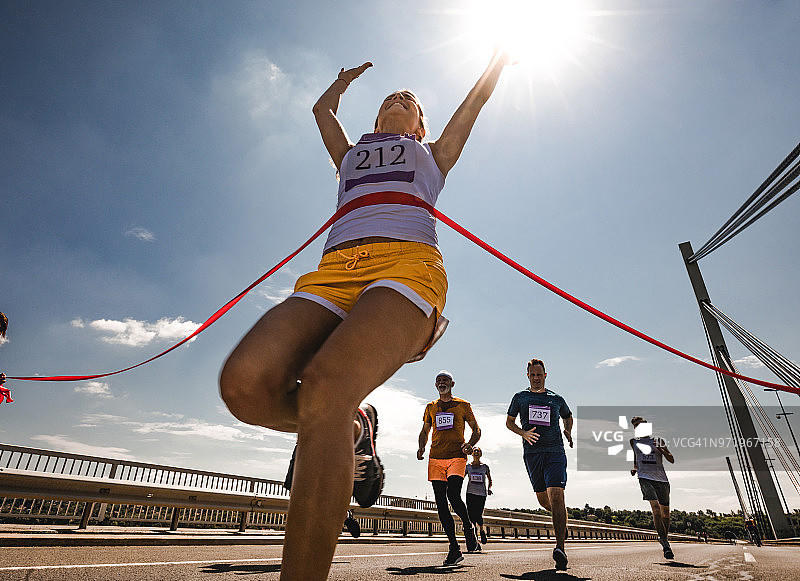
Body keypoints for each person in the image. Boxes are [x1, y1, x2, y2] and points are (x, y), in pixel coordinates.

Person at [219, 51, 512, 581]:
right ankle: (351, 426)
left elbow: (476, 101)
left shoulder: (434, 154)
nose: (400, 99)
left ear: (419, 124)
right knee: (244, 386)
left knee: (327, 386)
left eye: (411, 101)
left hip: (406, 264)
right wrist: (341, 81)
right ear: (377, 119)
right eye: (391, 98)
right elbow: (320, 111)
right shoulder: (350, 153)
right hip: (333, 271)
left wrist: (496, 60)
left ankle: (334, 419)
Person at [506, 358, 573, 571]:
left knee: (556, 494)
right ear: (528, 376)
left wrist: (568, 430)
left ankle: (560, 548)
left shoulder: (556, 398)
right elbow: (509, 422)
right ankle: (563, 523)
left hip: (555, 452)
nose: (536, 378)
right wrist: (523, 433)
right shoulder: (520, 397)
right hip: (532, 455)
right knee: (544, 501)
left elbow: (568, 416)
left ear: (546, 375)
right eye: (532, 375)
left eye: (539, 374)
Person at [417, 370, 482, 566]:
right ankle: (454, 548)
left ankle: (468, 528)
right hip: (436, 458)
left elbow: (476, 430)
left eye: (445, 380)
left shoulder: (463, 405)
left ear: (452, 383)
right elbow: (425, 430)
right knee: (441, 503)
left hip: (457, 456)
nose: (441, 383)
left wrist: (470, 444)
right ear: (435, 385)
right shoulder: (430, 407)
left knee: (453, 495)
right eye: (438, 381)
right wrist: (421, 445)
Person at [629, 416, 675, 559]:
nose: (637, 427)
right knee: (655, 509)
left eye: (640, 424)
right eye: (635, 425)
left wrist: (662, 449)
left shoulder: (658, 441)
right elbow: (636, 459)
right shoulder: (633, 442)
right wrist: (635, 469)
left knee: (665, 514)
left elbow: (671, 459)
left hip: (661, 479)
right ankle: (666, 544)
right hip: (644, 478)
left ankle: (663, 538)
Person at [465, 446, 492, 545]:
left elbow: (490, 479)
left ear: (480, 454)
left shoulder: (485, 467)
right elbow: (461, 477)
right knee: (471, 516)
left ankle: (481, 530)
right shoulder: (468, 466)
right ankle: (474, 536)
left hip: (481, 494)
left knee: (478, 515)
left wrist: (489, 488)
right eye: (474, 451)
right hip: (470, 493)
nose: (476, 452)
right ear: (472, 454)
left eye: (478, 451)